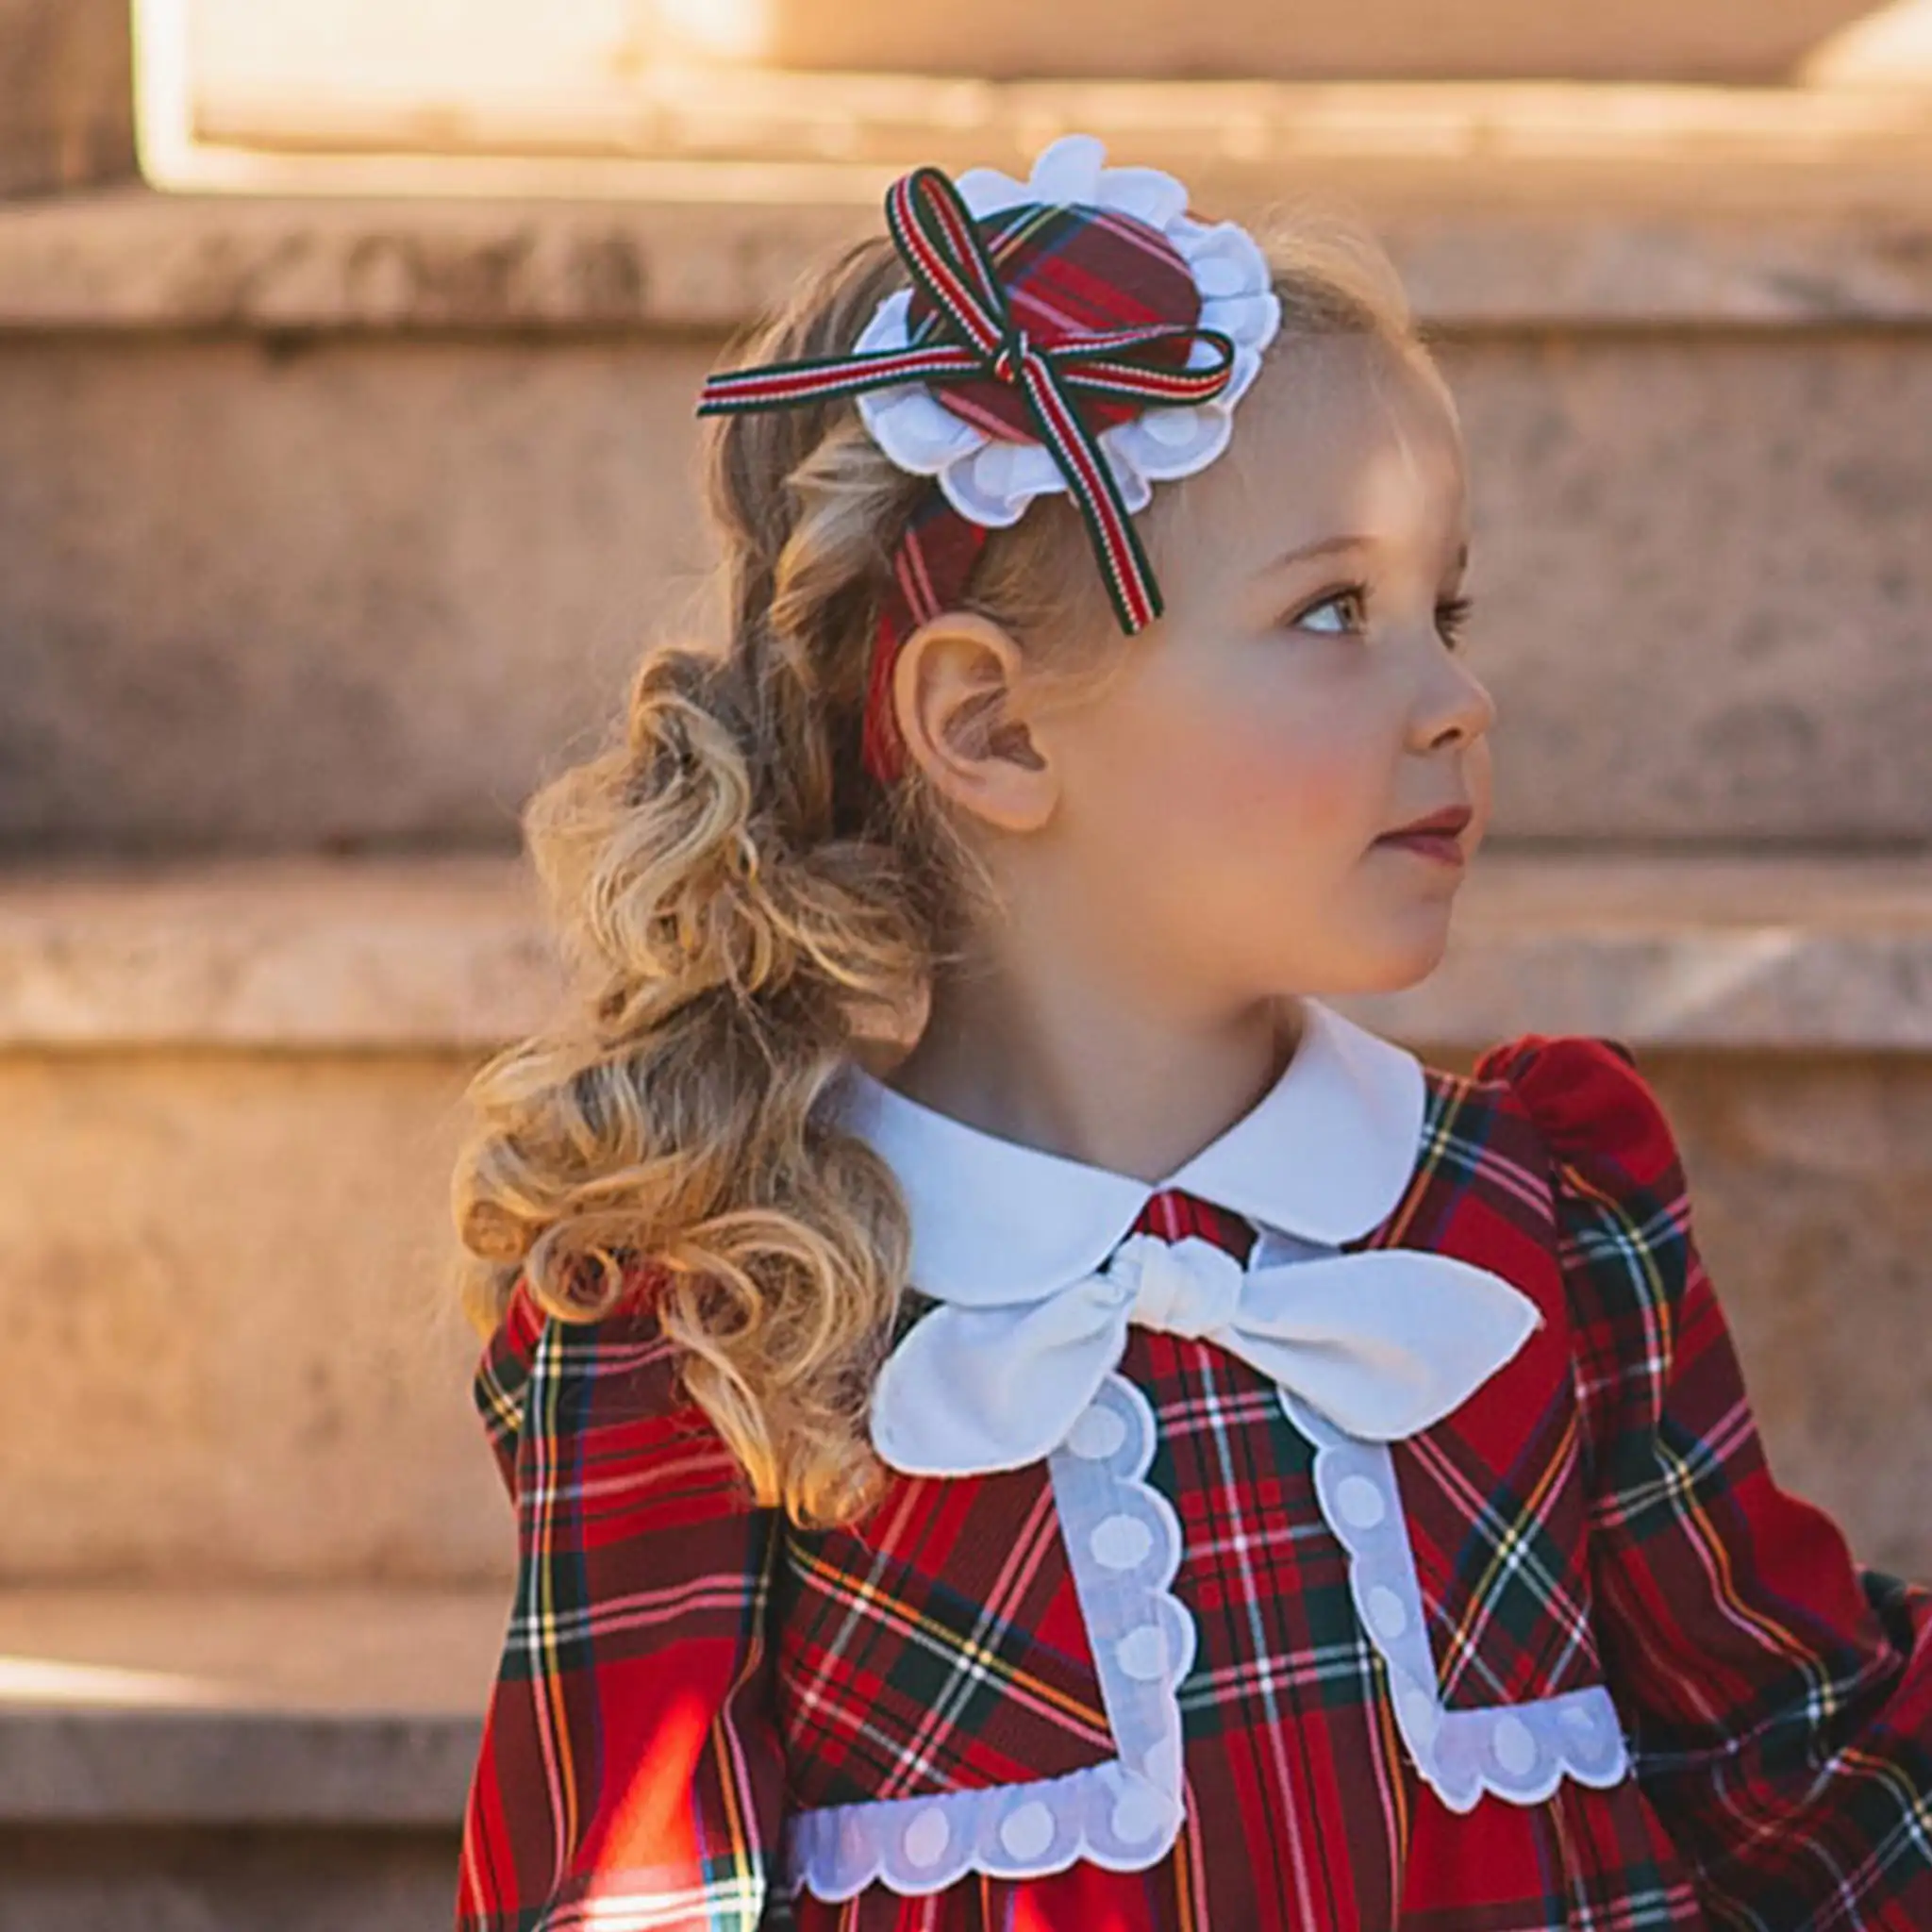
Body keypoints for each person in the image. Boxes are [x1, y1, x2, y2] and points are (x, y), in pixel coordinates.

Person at [448, 134, 1932, 1930]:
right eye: (1333, 614)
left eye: (1442, 612)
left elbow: (1809, 1782)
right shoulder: (732, 1315)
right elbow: (623, 1892)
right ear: (991, 731)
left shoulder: (1545, 1214)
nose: (1458, 702)